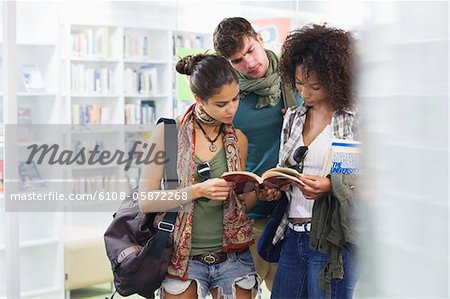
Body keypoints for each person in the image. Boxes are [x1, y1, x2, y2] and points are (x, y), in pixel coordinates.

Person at [138, 53, 278, 299]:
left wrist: (259, 193)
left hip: (234, 259)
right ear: (199, 99)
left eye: (235, 99)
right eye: (221, 104)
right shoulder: (166, 133)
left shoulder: (239, 140)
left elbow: (239, 205)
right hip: (182, 260)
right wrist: (198, 190)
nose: (231, 109)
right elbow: (146, 200)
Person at [270, 24, 360, 299]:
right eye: (299, 84)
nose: (305, 93)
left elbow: (358, 181)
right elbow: (284, 167)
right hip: (292, 234)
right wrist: (275, 185)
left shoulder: (350, 119)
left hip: (330, 237)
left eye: (315, 86)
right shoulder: (294, 117)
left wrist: (330, 186)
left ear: (336, 79)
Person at [213, 17, 298, 295]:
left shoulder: (296, 80)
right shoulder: (227, 98)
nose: (248, 63)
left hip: (296, 214)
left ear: (259, 38)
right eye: (237, 61)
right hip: (248, 216)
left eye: (250, 51)